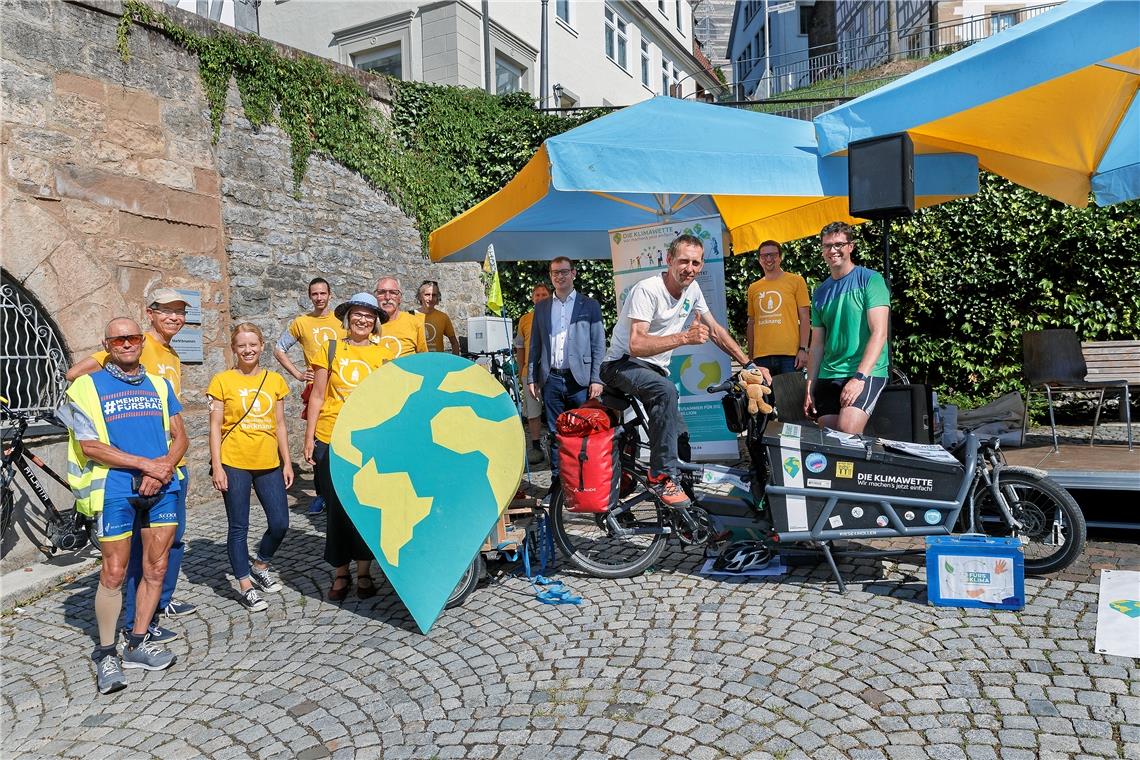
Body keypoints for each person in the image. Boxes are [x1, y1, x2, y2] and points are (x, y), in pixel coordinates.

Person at [60, 318, 188, 694]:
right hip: (115, 486)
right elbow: (89, 446)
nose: (128, 343)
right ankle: (105, 653)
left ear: (141, 342)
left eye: (133, 337)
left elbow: (180, 437)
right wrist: (146, 465)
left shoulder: (160, 385)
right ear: (107, 344)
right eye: (119, 338)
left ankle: (136, 642)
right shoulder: (85, 387)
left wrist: (163, 467)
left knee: (157, 565)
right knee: (113, 572)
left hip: (162, 485)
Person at [601, 234, 767, 508]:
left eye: (696, 263)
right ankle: (661, 476)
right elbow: (637, 343)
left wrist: (748, 364)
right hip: (621, 364)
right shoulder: (648, 289)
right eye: (683, 261)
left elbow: (714, 329)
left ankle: (689, 512)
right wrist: (684, 338)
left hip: (653, 370)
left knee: (681, 440)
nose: (689, 268)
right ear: (669, 260)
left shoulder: (692, 290)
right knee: (665, 391)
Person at [303, 293, 396, 601]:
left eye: (369, 316)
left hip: (367, 440)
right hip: (331, 437)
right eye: (358, 313)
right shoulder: (330, 349)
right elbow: (317, 396)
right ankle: (341, 572)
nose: (363, 320)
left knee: (365, 506)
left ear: (376, 322)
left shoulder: (383, 355)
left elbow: (388, 400)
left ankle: (365, 571)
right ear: (348, 316)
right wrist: (309, 437)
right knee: (336, 508)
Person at [208, 323, 293, 612]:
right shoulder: (222, 381)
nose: (248, 350)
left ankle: (260, 565)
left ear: (261, 346)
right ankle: (245, 585)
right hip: (234, 462)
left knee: (280, 522)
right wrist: (217, 467)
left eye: (253, 345)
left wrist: (287, 462)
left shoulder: (274, 381)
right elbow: (215, 427)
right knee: (239, 526)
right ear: (234, 348)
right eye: (242, 345)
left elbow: (280, 424)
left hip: (268, 462)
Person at [803, 221, 890, 435]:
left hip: (865, 372)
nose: (832, 250)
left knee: (847, 432)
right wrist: (809, 387)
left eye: (839, 244)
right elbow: (816, 345)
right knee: (832, 442)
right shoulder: (820, 292)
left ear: (851, 246)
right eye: (827, 245)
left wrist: (859, 378)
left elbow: (879, 333)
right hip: (829, 373)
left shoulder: (871, 279)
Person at [527, 258, 606, 488]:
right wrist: (532, 377)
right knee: (555, 433)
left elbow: (598, 344)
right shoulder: (541, 307)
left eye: (563, 272)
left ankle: (584, 482)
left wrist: (596, 378)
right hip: (551, 378)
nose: (559, 277)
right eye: (554, 273)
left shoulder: (589, 305)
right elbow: (535, 344)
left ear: (573, 273)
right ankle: (558, 483)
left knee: (583, 433)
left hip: (579, 380)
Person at [273, 277, 343, 515]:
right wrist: (298, 374)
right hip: (317, 388)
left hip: (343, 387)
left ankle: (344, 490)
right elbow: (279, 349)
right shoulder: (302, 323)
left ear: (330, 295)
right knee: (317, 440)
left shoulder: (341, 320)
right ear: (309, 296)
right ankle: (321, 494)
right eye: (315, 294)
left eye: (323, 293)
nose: (319, 298)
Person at [745, 240, 810, 377]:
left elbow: (804, 317)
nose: (768, 259)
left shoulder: (796, 281)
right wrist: (750, 358)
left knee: (791, 398)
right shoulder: (753, 288)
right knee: (765, 399)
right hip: (760, 357)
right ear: (759, 259)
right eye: (764, 256)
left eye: (773, 255)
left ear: (780, 257)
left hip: (790, 355)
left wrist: (803, 349)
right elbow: (752, 322)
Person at [515, 282, 551, 465]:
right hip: (530, 373)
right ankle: (536, 445)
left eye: (544, 294)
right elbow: (519, 346)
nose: (540, 298)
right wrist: (522, 368)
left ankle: (556, 443)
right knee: (533, 411)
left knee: (553, 409)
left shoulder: (556, 315)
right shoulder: (525, 319)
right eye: (537, 295)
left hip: (552, 371)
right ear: (532, 298)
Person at [374, 276, 427, 358]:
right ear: (375, 297)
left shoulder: (414, 322)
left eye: (393, 292)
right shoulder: (367, 324)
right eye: (382, 292)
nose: (387, 297)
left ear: (400, 298)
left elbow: (424, 357)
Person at [414, 280, 461, 355]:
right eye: (427, 294)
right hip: (416, 363)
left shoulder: (443, 317)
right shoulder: (410, 315)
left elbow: (454, 343)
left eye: (434, 295)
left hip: (437, 364)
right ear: (420, 296)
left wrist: (453, 364)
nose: (431, 298)